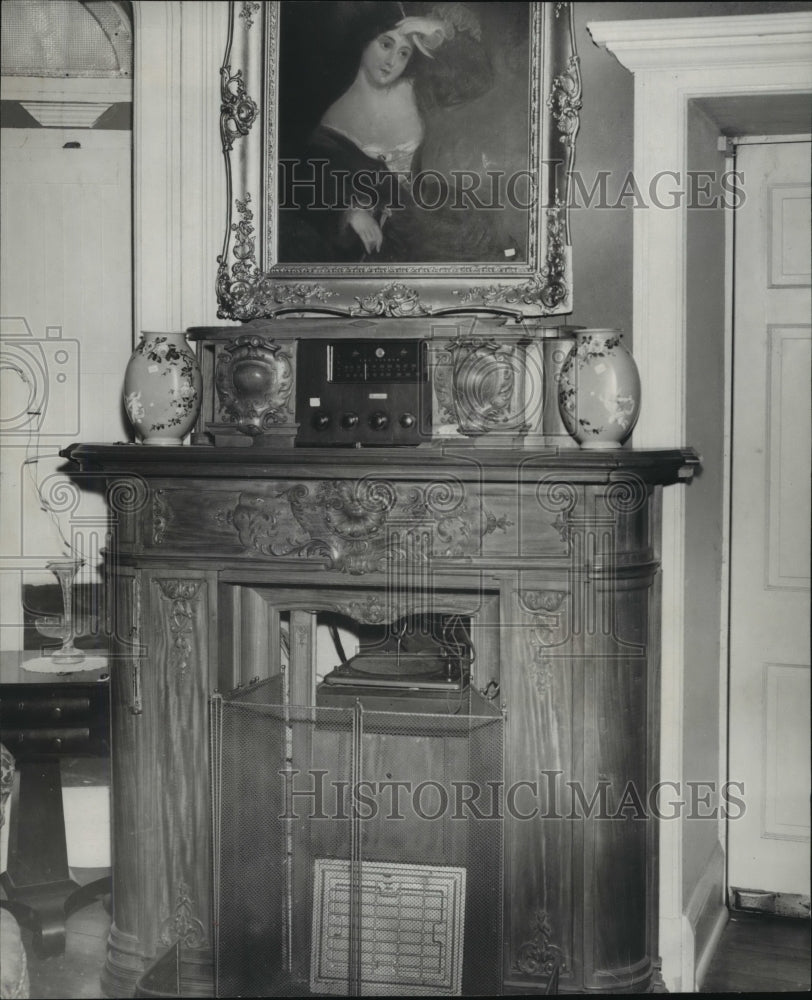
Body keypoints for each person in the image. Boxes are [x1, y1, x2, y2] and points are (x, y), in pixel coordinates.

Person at [279, 2, 508, 264]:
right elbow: (304, 181)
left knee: (485, 242)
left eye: (403, 53)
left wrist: (440, 30)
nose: (391, 62)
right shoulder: (332, 119)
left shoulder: (415, 89)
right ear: (365, 40)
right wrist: (350, 212)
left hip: (435, 210)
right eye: (386, 45)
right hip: (392, 234)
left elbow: (478, 79)